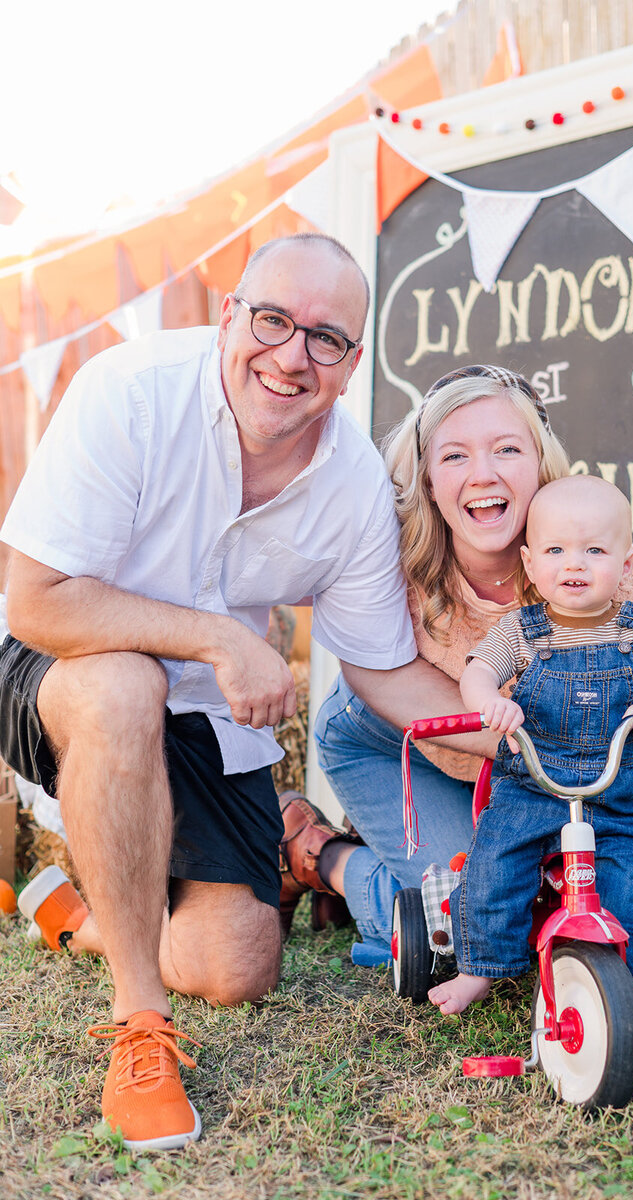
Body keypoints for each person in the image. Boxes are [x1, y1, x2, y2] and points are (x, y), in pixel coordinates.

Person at [0, 233, 421, 1150]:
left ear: (351, 366)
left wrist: (500, 738)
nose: (291, 355)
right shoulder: (130, 392)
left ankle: (83, 917)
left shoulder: (351, 486)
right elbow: (36, 602)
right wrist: (221, 635)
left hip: (204, 710)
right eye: (272, 319)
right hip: (57, 666)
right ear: (228, 315)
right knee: (124, 685)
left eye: (326, 339)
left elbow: (383, 670)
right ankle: (139, 1027)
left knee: (239, 966)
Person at [311, 365, 633, 970]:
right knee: (464, 916)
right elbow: (367, 668)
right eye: (454, 456)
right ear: (425, 475)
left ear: (540, 461)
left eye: (506, 449)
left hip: (513, 760)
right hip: (382, 734)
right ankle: (322, 856)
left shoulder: (583, 541)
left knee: (529, 898)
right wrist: (549, 737)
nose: (483, 474)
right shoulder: (389, 545)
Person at [428, 475, 633, 1015]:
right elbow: (479, 670)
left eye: (594, 550)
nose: (574, 564)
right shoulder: (523, 632)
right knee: (494, 864)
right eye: (557, 550)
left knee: (624, 879)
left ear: (627, 563)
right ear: (531, 564)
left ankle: (617, 981)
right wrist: (493, 700)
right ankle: (478, 969)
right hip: (532, 787)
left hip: (611, 792)